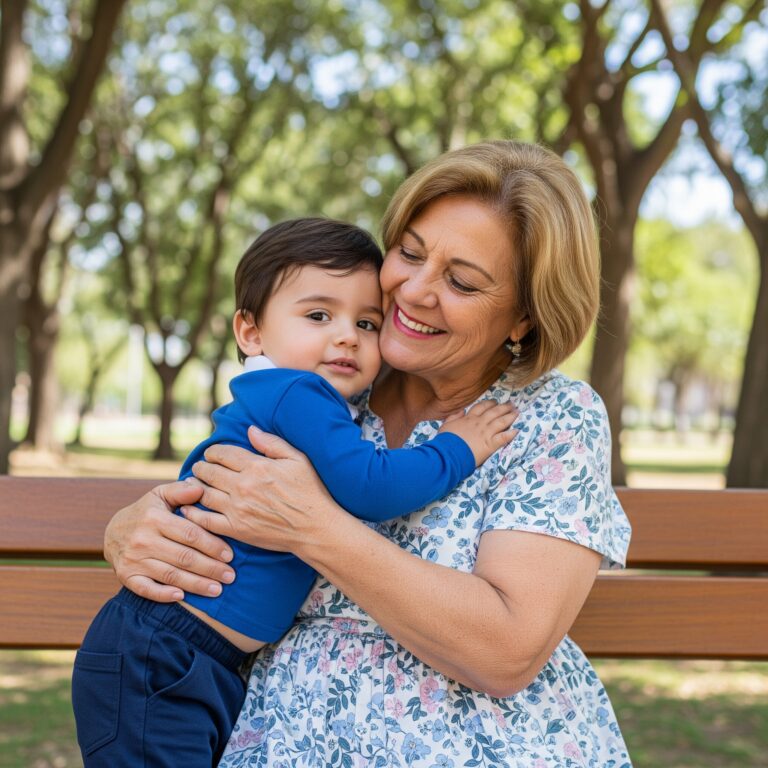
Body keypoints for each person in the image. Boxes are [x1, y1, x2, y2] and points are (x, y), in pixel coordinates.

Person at [103, 140, 634, 767]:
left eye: (461, 281)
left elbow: (507, 650)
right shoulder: (331, 381)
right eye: (408, 253)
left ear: (524, 317)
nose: (413, 290)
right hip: (288, 737)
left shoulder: (549, 416)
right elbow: (217, 487)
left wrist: (314, 528)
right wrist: (135, 527)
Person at [71, 217, 516, 766]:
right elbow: (368, 486)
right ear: (251, 332)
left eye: (369, 322)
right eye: (318, 315)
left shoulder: (297, 395)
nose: (347, 335)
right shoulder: (297, 392)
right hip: (164, 654)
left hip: (194, 655)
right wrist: (457, 447)